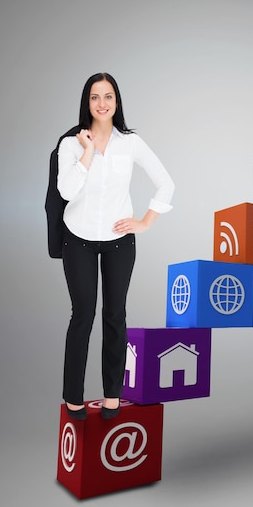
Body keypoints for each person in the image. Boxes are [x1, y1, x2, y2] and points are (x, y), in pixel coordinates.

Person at [56, 72, 175, 420]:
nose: (102, 103)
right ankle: (72, 397)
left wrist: (145, 221)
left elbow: (166, 183)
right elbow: (66, 192)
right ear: (87, 103)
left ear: (117, 101)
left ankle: (112, 395)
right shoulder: (70, 145)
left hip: (120, 242)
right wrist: (88, 151)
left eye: (108, 96)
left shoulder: (131, 143)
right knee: (83, 316)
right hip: (77, 239)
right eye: (95, 97)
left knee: (115, 316)